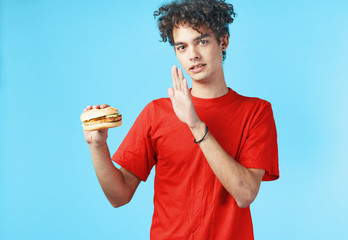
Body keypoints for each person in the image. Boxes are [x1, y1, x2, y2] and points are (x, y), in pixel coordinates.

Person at [83, 0, 279, 239]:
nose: (193, 55)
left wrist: (195, 125)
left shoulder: (256, 111)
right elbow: (119, 197)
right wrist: (97, 146)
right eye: (182, 47)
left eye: (202, 41)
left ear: (223, 41)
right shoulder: (156, 113)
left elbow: (245, 194)